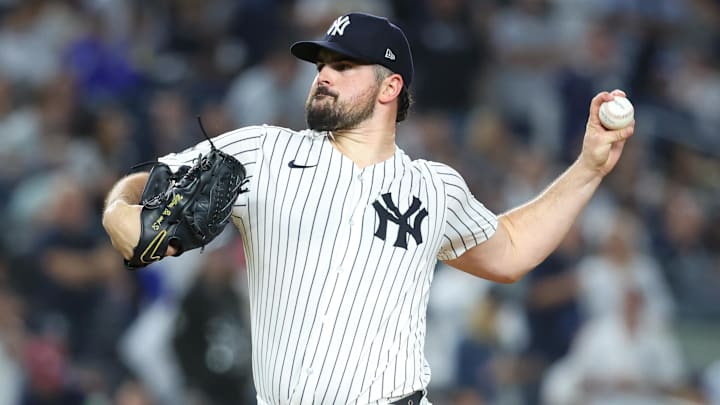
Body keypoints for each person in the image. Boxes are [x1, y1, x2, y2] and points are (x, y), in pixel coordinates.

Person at [101, 12, 635, 405]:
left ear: (390, 86)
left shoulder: (434, 186)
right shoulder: (261, 151)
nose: (323, 74)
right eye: (321, 64)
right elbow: (145, 187)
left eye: (343, 64)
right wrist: (116, 209)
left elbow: (511, 250)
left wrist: (588, 167)